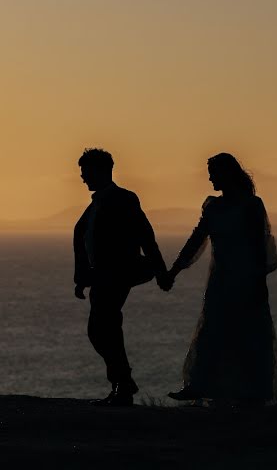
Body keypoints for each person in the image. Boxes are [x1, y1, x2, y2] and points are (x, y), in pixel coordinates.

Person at [159, 152, 277, 404]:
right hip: (221, 281)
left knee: (247, 333)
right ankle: (200, 386)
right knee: (213, 331)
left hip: (247, 279)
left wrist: (258, 280)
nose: (211, 179)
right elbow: (196, 241)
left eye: (214, 174)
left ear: (228, 174)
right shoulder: (213, 207)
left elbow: (260, 245)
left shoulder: (251, 205)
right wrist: (174, 270)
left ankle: (250, 391)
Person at [74, 148, 168, 406]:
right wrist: (81, 277)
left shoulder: (124, 198)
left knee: (103, 328)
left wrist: (160, 271)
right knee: (102, 330)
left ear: (103, 171)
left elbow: (145, 235)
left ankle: (122, 384)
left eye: (86, 172)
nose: (82, 178)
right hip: (101, 276)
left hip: (117, 274)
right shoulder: (96, 203)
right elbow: (82, 239)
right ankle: (122, 383)